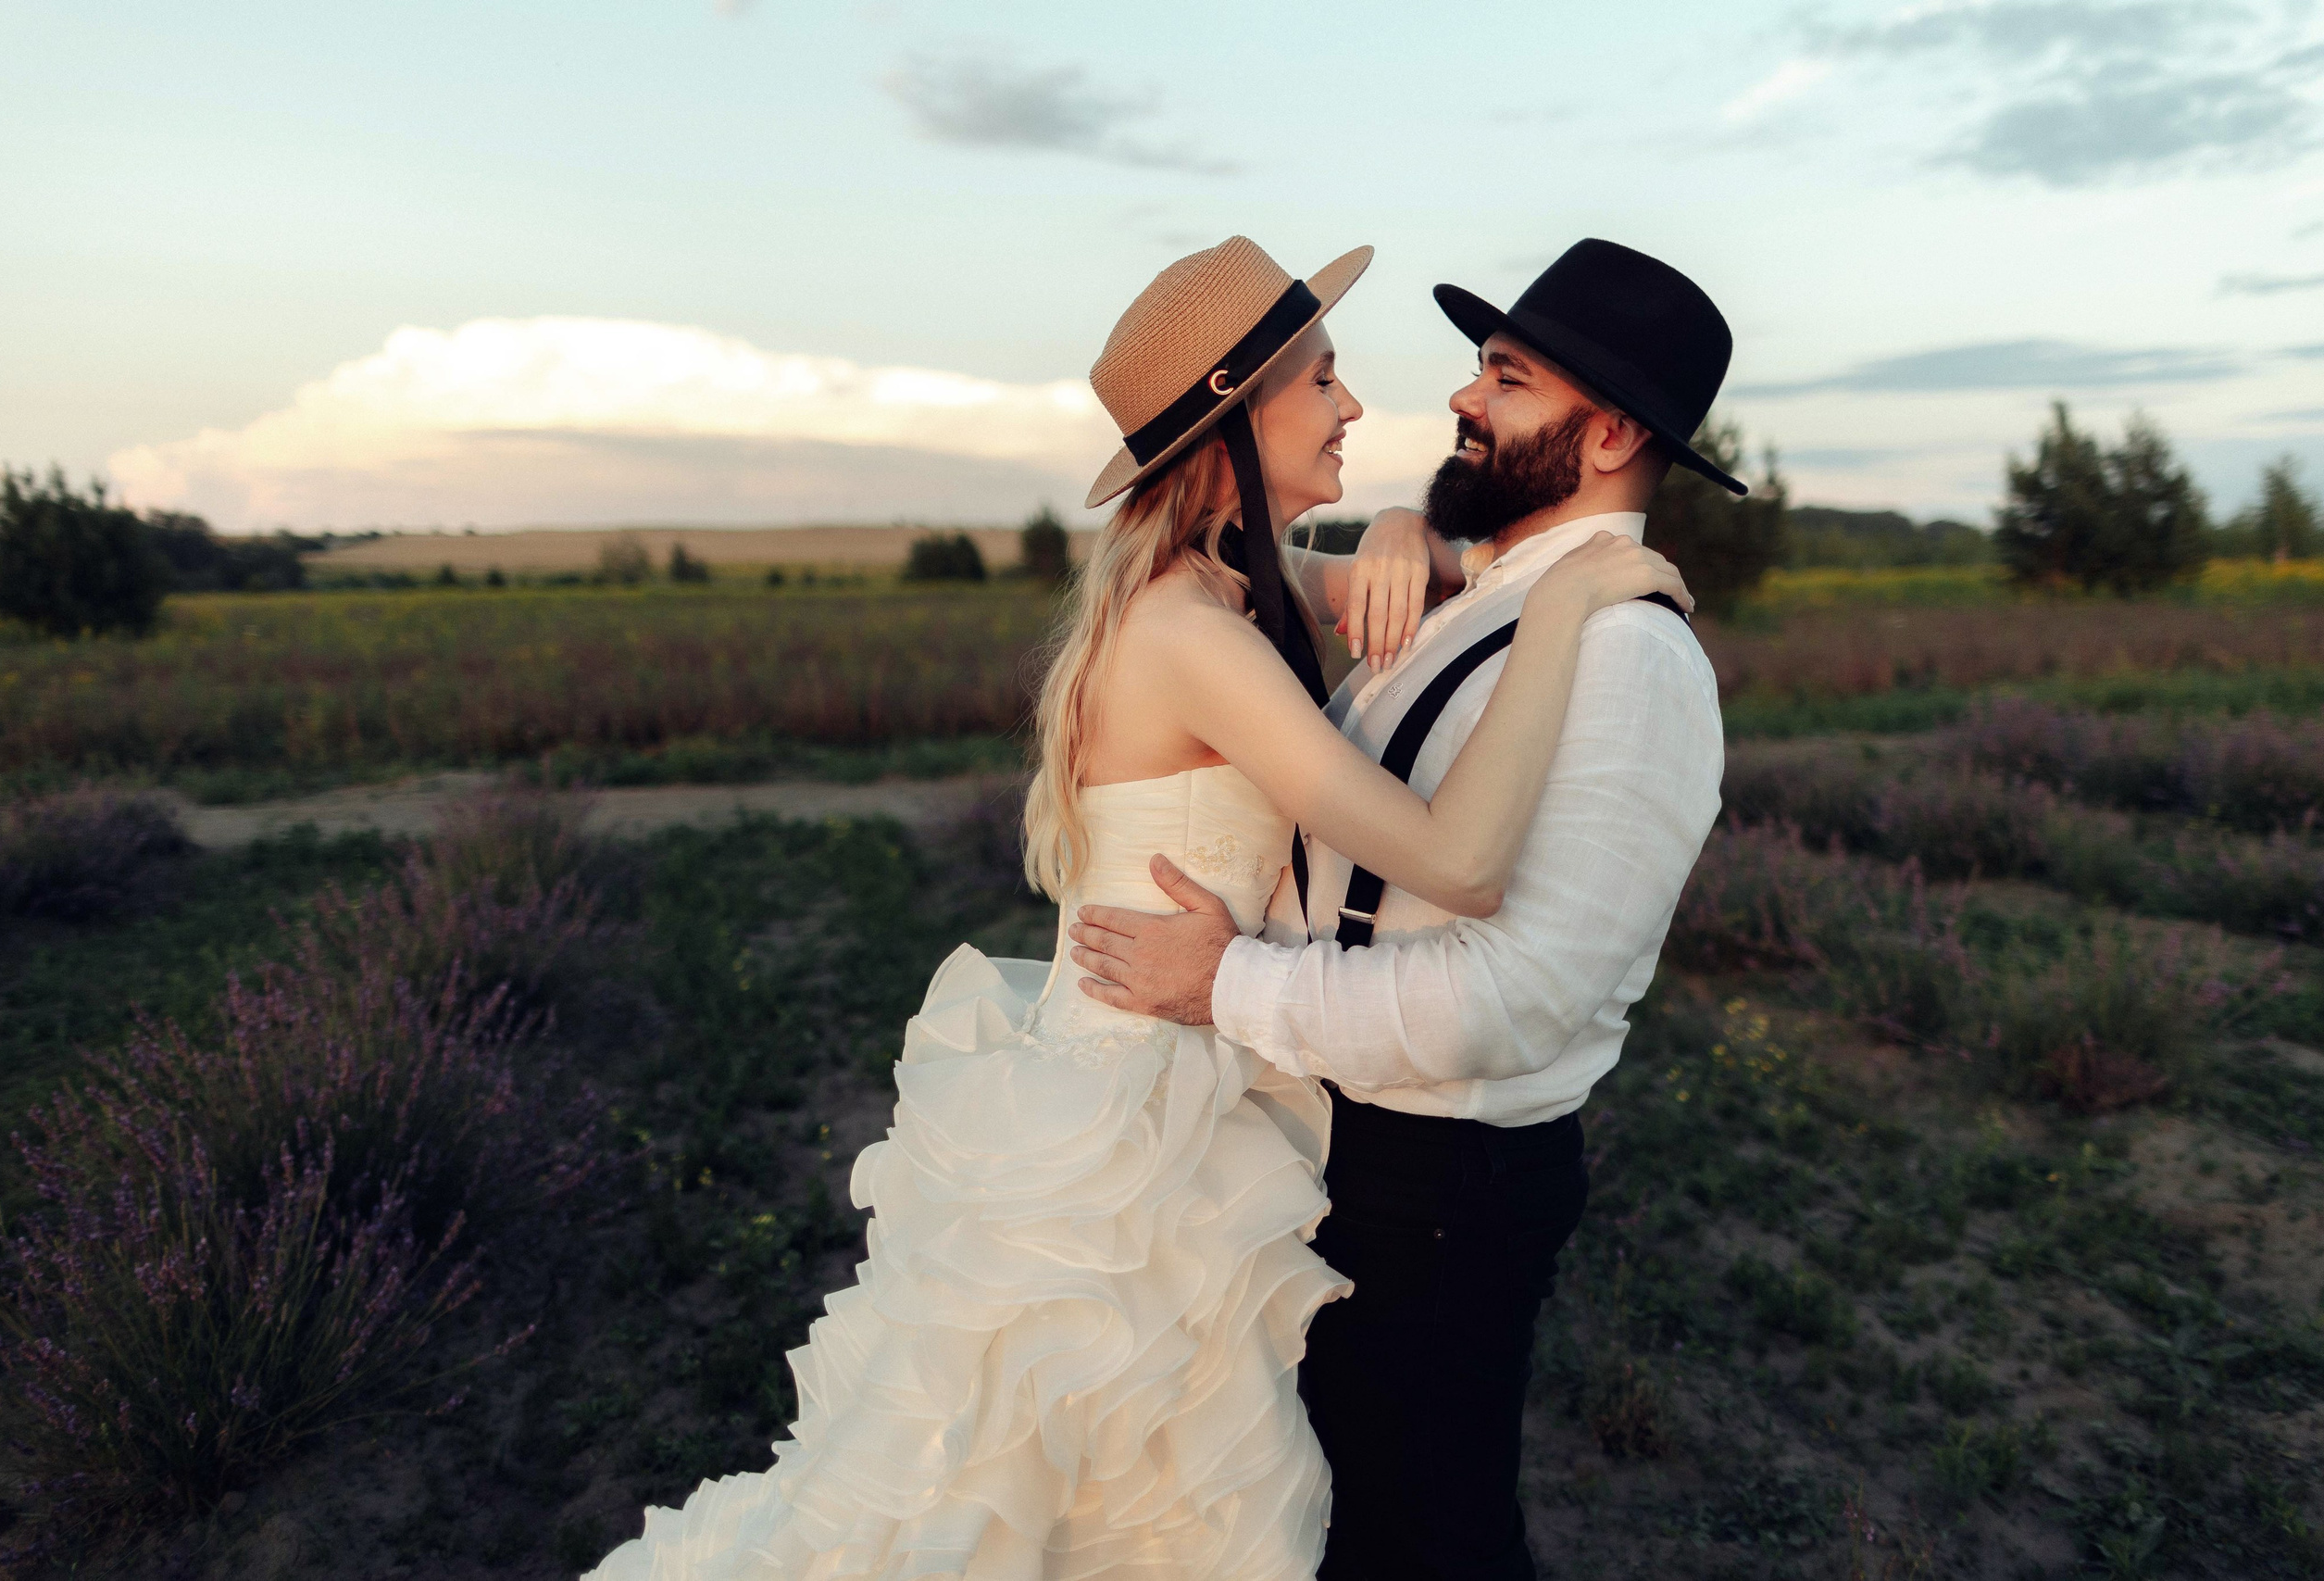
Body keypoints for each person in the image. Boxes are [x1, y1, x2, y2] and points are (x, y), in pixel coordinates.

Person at [585, 236, 1692, 1581]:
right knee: (1083, 1500)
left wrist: (1410, 529)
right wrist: (1578, 597)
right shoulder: (1189, 631)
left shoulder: (1248, 590)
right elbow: (1459, 862)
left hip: (1209, 1087)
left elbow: (1447, 597)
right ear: (1238, 418)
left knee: (1166, 1498)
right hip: (1139, 1116)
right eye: (1324, 380)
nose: (1357, 408)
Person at [1060, 239, 1737, 1581]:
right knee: (1334, 1529)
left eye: (1506, 377)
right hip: (1321, 1144)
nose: (1457, 402)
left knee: (1432, 1539)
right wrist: (1400, 532)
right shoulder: (1462, 598)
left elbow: (1516, 993)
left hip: (1444, 1186)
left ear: (1608, 432)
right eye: (1480, 368)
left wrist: (1229, 988)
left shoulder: (1628, 652)